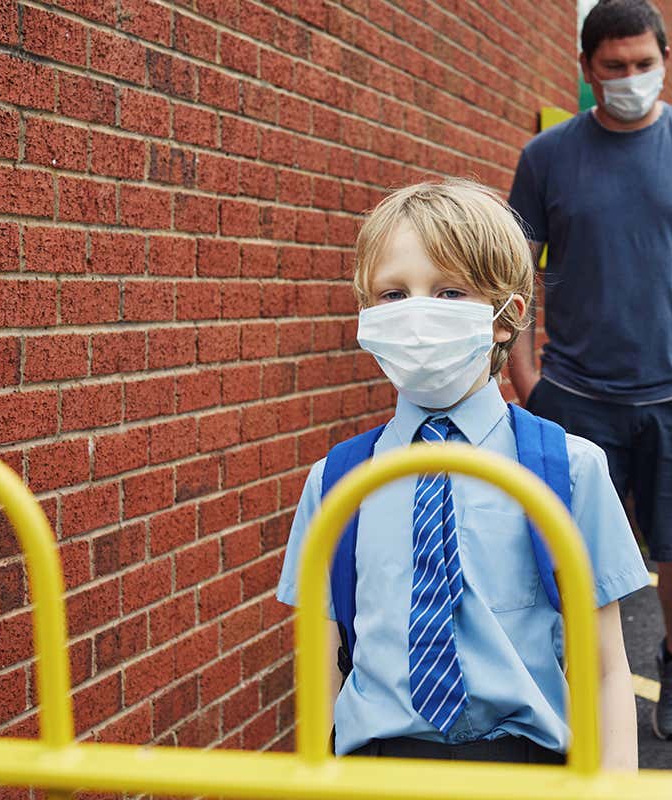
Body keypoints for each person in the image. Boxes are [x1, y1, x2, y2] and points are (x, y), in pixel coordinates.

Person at [275, 179, 649, 769]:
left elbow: (604, 668)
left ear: (507, 318)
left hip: (526, 767)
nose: (418, 314)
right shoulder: (336, 480)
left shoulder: (570, 469)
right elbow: (319, 665)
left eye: (450, 292)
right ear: (367, 315)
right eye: (393, 295)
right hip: (375, 768)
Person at [507, 0, 672, 741]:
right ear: (587, 70)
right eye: (613, 68)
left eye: (642, 64)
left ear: (665, 62)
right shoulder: (547, 157)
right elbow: (517, 271)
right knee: (564, 555)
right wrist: (526, 378)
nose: (630, 79)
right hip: (578, 395)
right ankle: (571, 683)